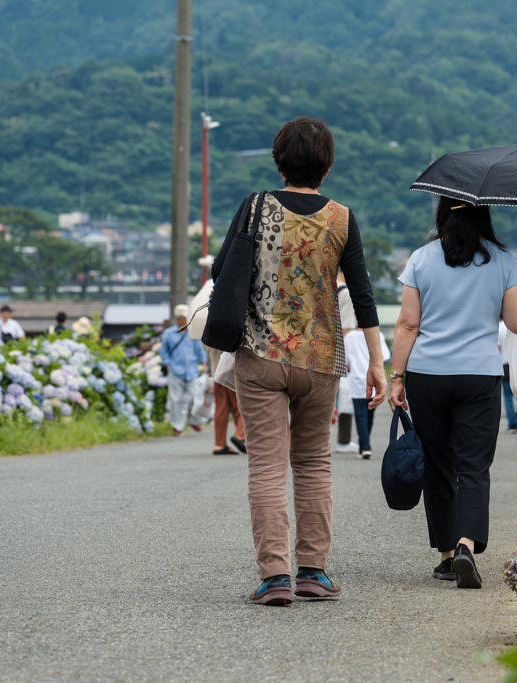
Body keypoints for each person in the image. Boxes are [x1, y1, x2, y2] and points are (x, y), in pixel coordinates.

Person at [212, 116, 387, 606]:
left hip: (260, 355)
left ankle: (274, 578)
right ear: (327, 165)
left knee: (266, 466)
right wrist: (378, 363)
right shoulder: (342, 218)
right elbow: (364, 294)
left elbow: (220, 269)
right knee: (312, 464)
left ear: (278, 160)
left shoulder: (255, 207)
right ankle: (313, 570)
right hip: (320, 358)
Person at [389, 196, 517, 590]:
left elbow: (406, 324)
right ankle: (467, 543)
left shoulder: (421, 258)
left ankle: (447, 557)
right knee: (472, 466)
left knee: (438, 465)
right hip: (478, 376)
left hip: (427, 374)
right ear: (483, 214)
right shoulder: (501, 260)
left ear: (441, 215)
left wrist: (396, 378)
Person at [159, 304, 208, 437]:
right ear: (178, 319)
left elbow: (199, 350)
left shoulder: (192, 332)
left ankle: (193, 421)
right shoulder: (169, 333)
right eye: (185, 318)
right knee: (175, 400)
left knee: (194, 397)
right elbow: (163, 351)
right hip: (175, 371)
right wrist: (167, 364)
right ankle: (178, 426)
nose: (187, 320)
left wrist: (203, 362)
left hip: (191, 371)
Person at [344, 326, 390, 459]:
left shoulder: (349, 337)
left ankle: (364, 446)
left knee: (360, 415)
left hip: (357, 381)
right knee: (370, 414)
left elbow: (345, 361)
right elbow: (385, 357)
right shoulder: (378, 334)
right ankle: (365, 444)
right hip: (374, 380)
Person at [335, 271, 359, 453]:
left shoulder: (328, 285)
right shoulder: (346, 293)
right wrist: (347, 358)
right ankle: (343, 441)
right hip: (337, 353)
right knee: (344, 398)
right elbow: (346, 329)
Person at [207, 347, 246, 455]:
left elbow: (208, 352)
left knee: (220, 408)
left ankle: (219, 444)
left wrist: (208, 371)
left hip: (217, 374)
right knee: (241, 405)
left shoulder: (211, 330)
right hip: (233, 373)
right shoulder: (232, 329)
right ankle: (240, 435)